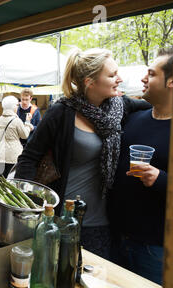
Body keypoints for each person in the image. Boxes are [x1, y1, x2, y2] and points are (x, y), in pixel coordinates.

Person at [14, 48, 151, 259]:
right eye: (112, 75)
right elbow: (28, 157)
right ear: (90, 82)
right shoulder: (62, 112)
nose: (120, 79)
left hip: (102, 222)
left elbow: (155, 105)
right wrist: (28, 206)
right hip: (62, 218)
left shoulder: (120, 107)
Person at [108, 47, 173, 284]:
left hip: (154, 250)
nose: (144, 79)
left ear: (172, 82)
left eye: (152, 74)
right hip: (115, 239)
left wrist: (161, 179)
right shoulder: (134, 119)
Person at [0, 96, 33, 178]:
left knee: (0, 180)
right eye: (16, 105)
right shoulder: (16, 120)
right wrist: (28, 123)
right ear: (12, 107)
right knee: (10, 181)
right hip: (13, 155)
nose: (17, 107)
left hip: (0, 154)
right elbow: (25, 135)